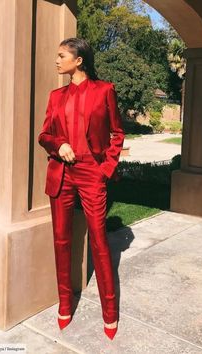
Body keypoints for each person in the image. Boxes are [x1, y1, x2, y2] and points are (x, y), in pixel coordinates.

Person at [38, 37, 125, 340]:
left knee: (99, 242)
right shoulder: (55, 95)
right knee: (62, 241)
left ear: (79, 60)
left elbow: (117, 132)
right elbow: (44, 134)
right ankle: (65, 304)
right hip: (60, 174)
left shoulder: (104, 91)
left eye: (62, 56)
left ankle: (110, 312)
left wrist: (105, 170)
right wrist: (58, 144)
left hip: (91, 173)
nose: (57, 61)